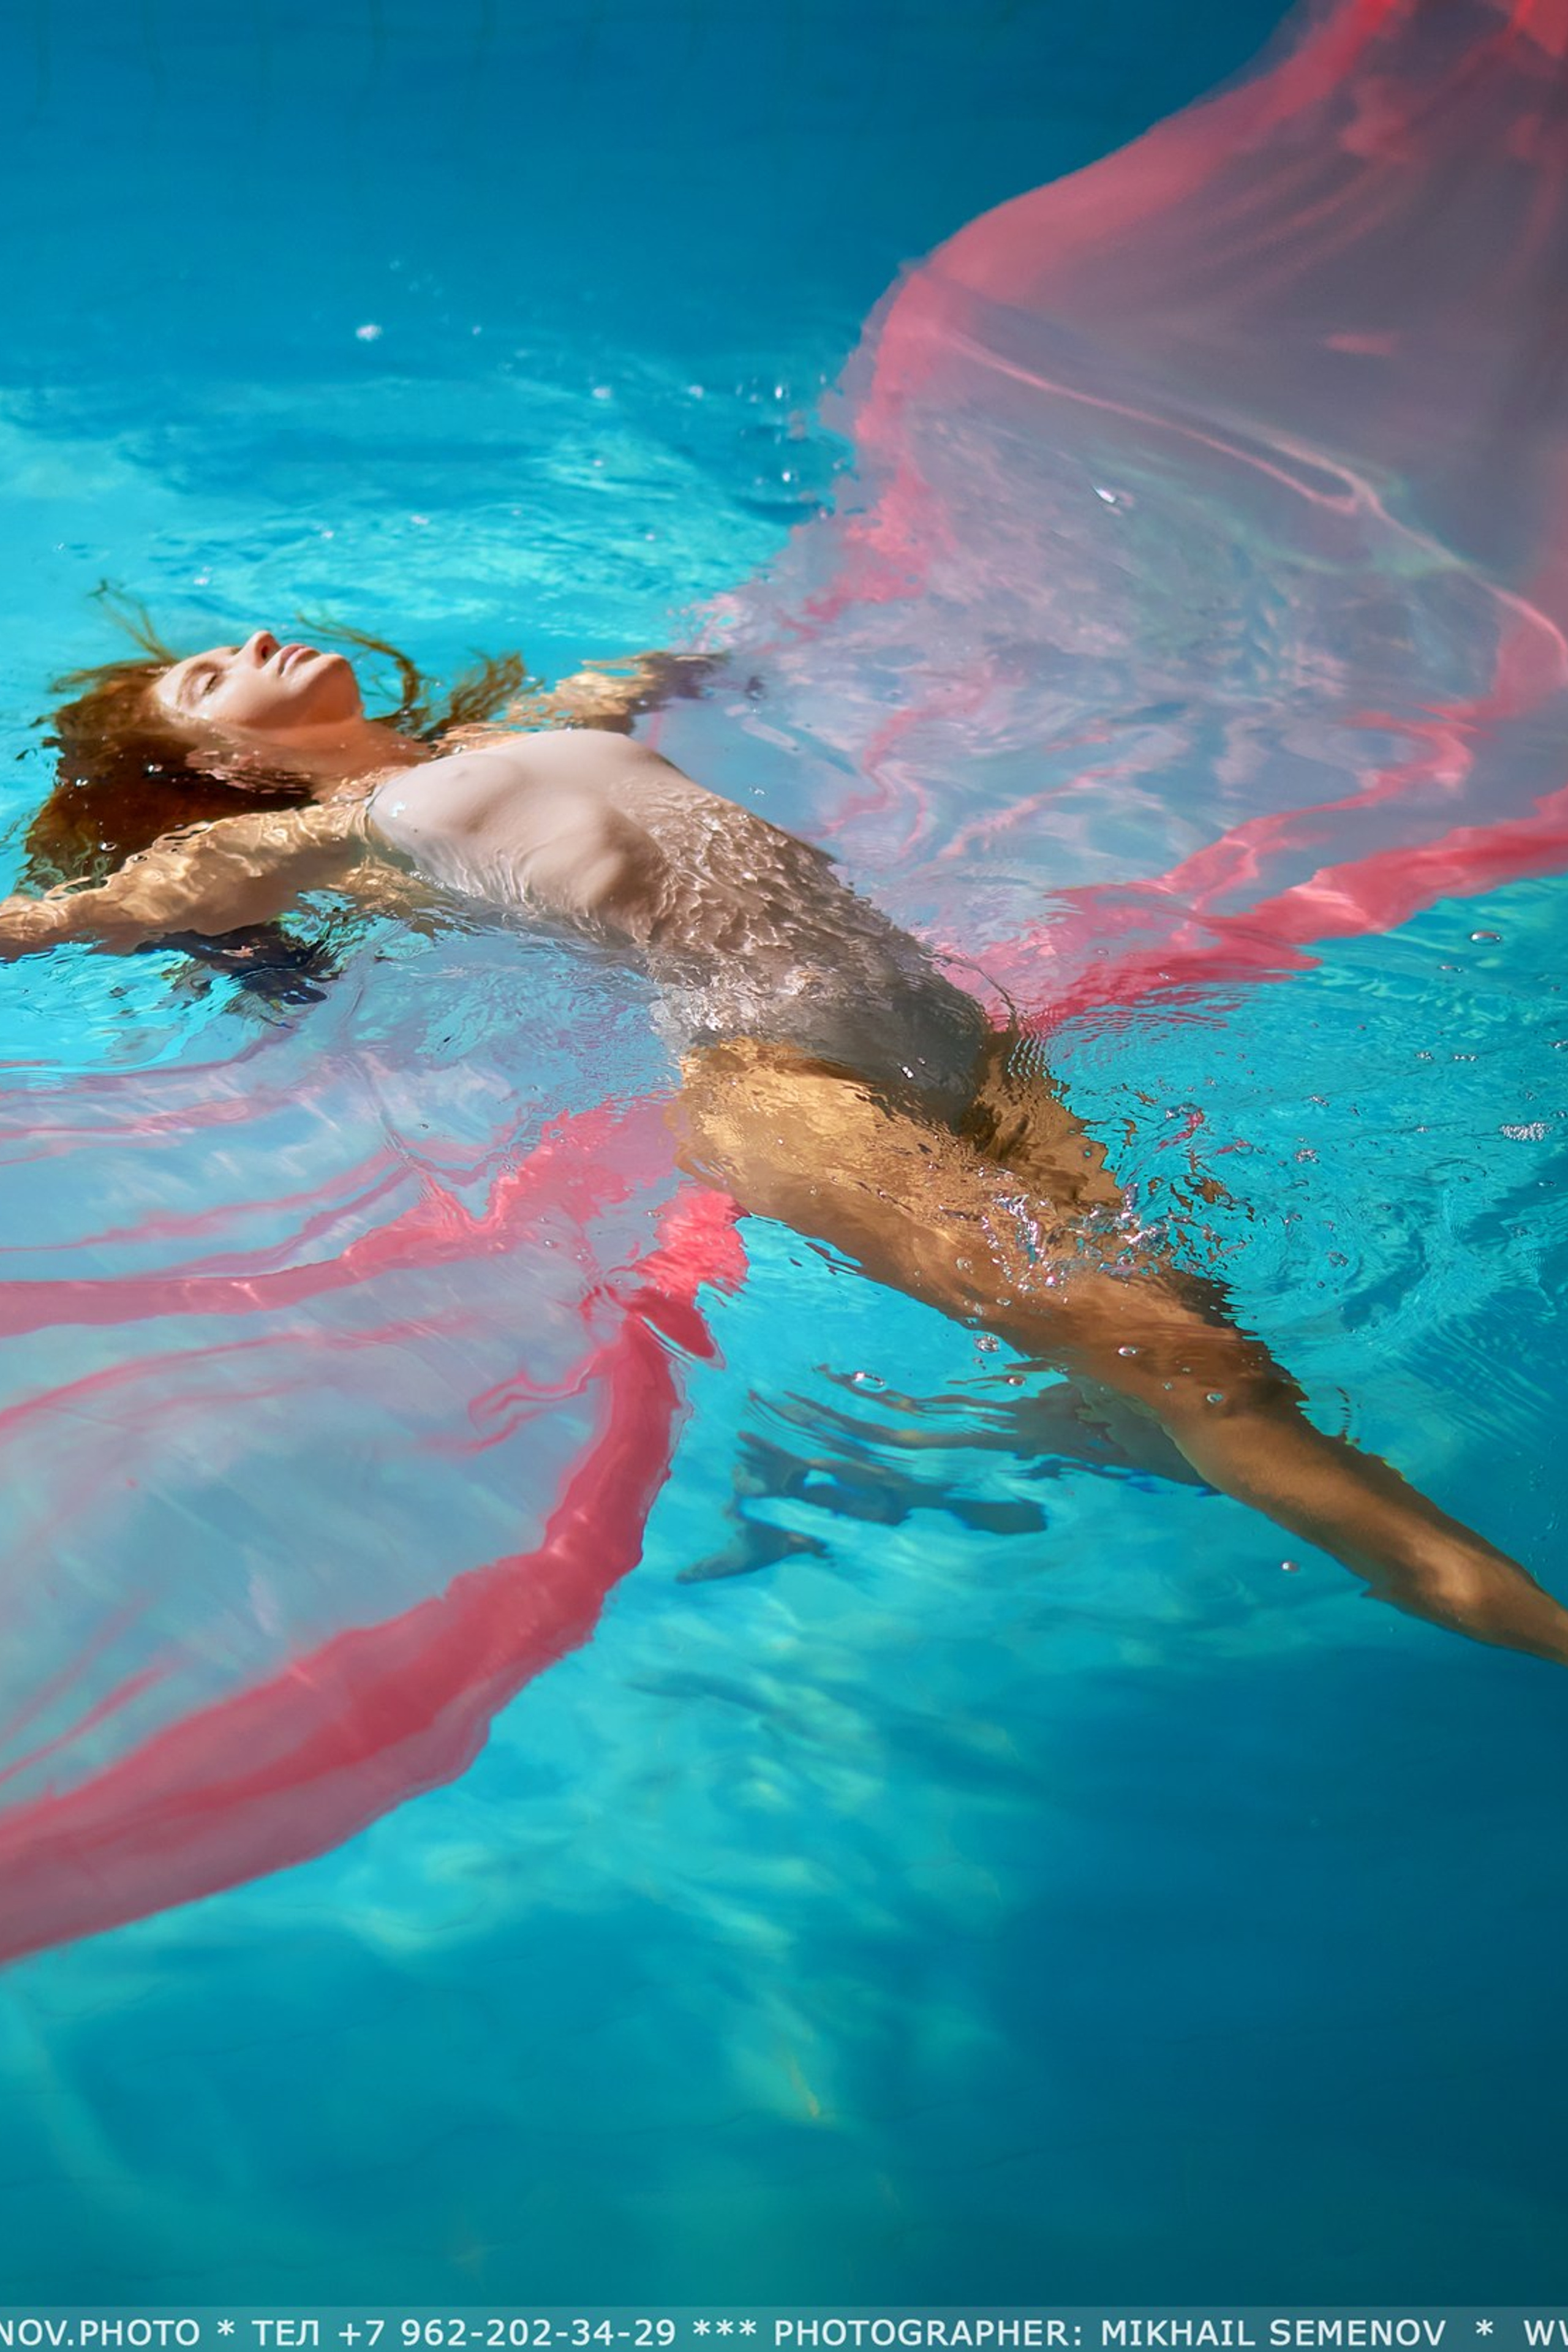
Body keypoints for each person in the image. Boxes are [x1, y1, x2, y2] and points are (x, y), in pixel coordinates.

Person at [4, 622, 1566, 1668]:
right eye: (206, 679)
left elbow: (658, 668)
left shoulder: (534, 722)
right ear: (216, 765)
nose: (245, 646)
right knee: (1205, 1379)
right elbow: (62, 919)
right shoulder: (284, 840)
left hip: (953, 1036)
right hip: (777, 1087)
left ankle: (1095, 1421)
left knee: (1214, 1358)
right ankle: (1471, 1595)